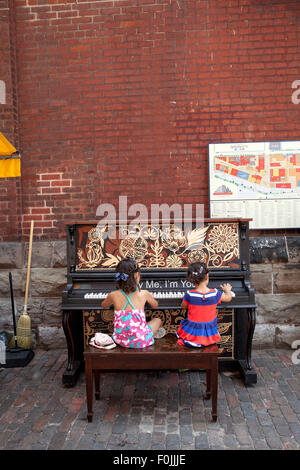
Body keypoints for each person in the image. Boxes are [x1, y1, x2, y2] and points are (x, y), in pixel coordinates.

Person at [102, 257, 163, 348]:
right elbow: (155, 305)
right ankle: (146, 334)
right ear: (136, 275)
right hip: (141, 340)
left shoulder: (113, 295)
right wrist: (151, 296)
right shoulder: (144, 293)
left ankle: (134, 333)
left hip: (120, 340)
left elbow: (103, 305)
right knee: (158, 320)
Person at [176, 262, 232, 348]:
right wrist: (227, 290)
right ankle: (204, 341)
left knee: (185, 323)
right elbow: (228, 298)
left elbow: (183, 306)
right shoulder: (215, 293)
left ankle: (194, 341)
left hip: (194, 330)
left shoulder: (189, 294)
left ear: (191, 280)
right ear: (207, 277)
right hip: (209, 333)